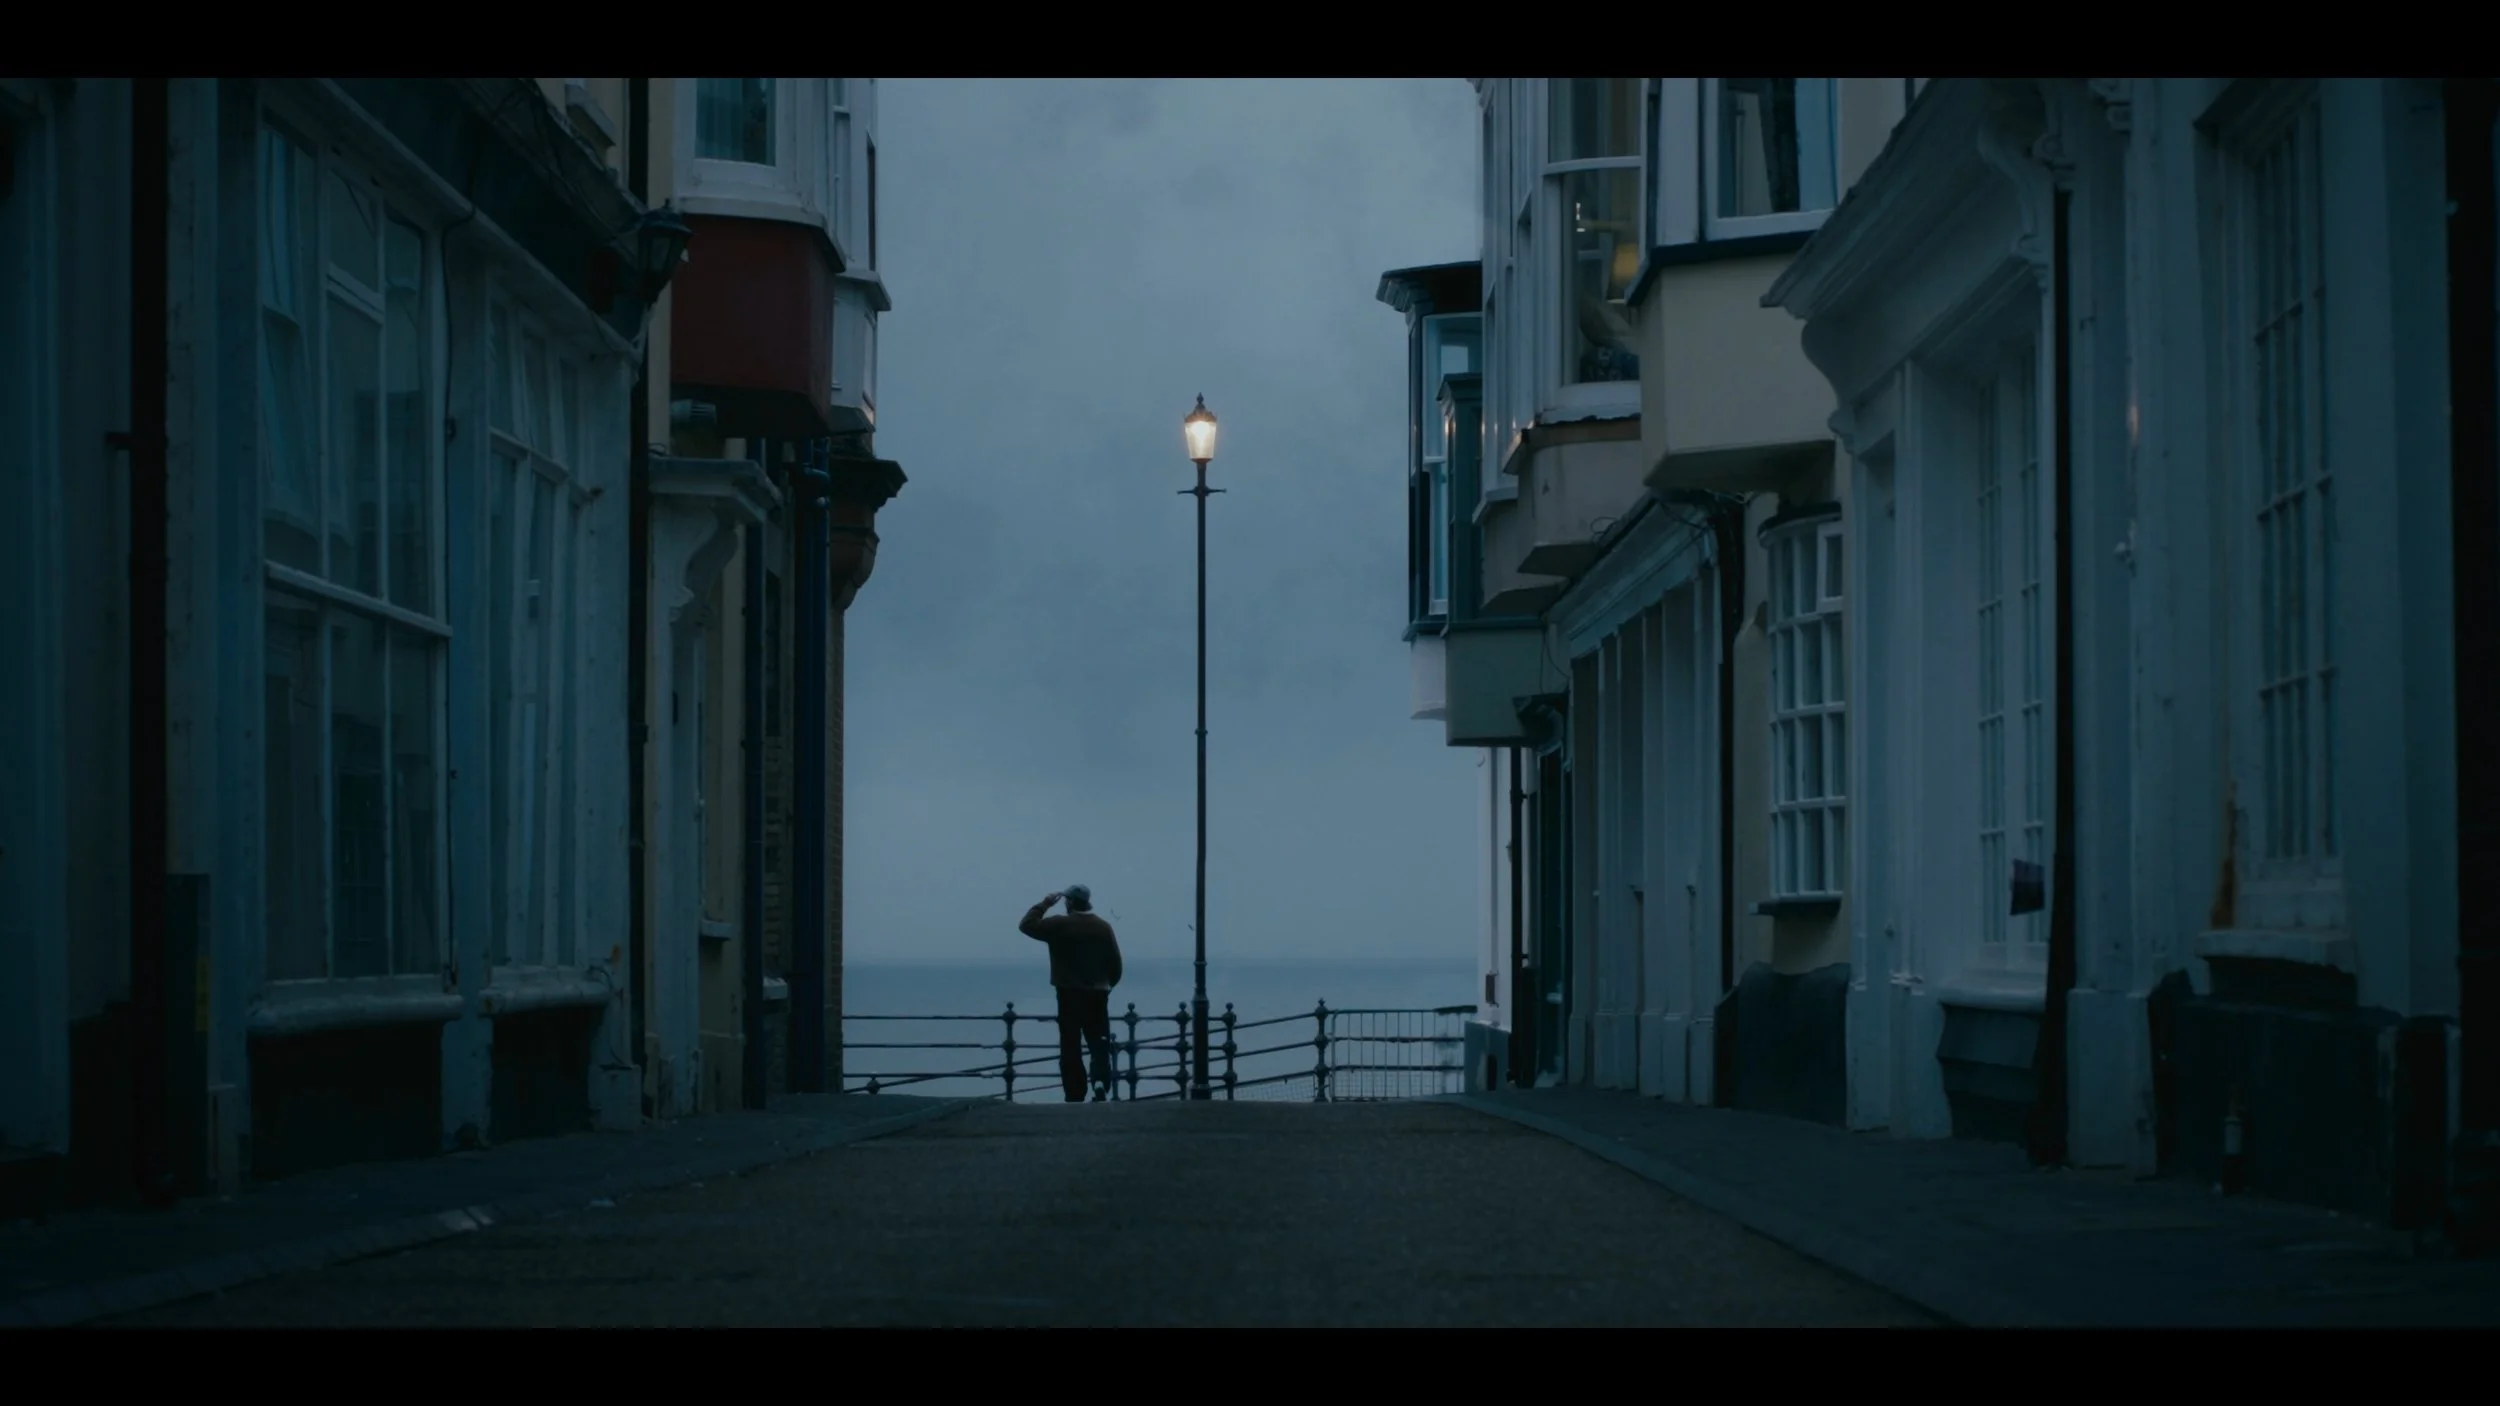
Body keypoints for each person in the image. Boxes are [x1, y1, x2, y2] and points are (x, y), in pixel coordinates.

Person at [1019, 885, 1123, 1102]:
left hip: (1068, 994)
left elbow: (1026, 925)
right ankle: (1100, 1081)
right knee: (1098, 1041)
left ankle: (1075, 1093)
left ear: (1070, 903)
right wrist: (1106, 984)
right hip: (1097, 994)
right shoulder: (1103, 927)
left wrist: (1045, 904)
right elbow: (1115, 965)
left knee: (1070, 1045)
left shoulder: (1059, 924)